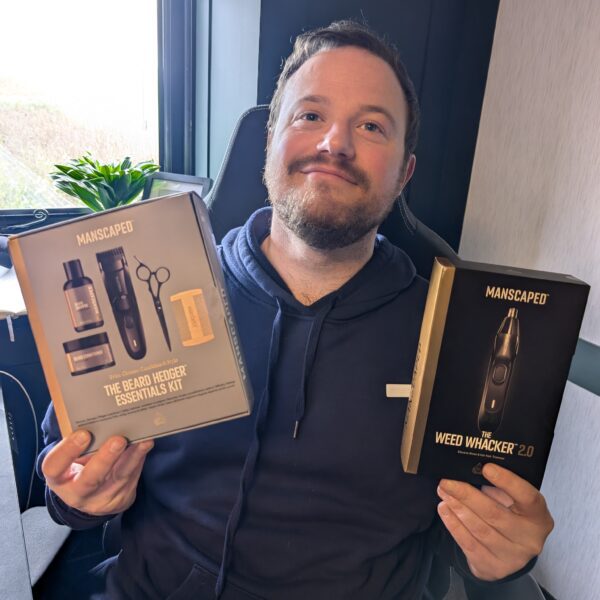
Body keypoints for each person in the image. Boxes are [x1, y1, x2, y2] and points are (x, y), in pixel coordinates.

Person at [38, 20, 554, 599]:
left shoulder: (457, 338)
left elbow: (468, 530)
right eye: (310, 115)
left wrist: (504, 552)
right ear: (270, 142)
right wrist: (77, 496)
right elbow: (65, 474)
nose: (335, 143)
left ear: (404, 172)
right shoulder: (151, 291)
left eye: (371, 126)